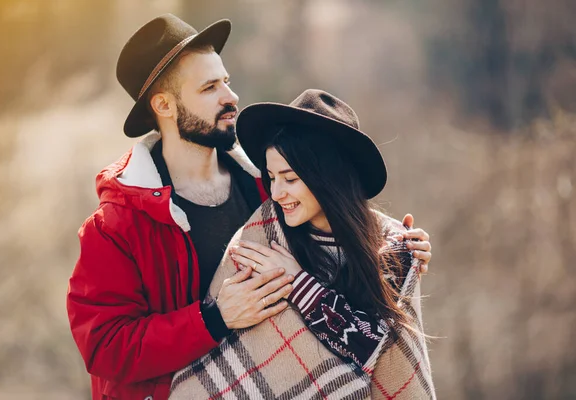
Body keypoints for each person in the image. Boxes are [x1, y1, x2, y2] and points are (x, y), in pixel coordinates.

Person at [67, 14, 432, 400]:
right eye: (209, 87)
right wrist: (214, 319)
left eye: (226, 80)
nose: (231, 96)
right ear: (164, 105)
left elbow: (330, 252)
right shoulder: (117, 224)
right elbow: (105, 347)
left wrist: (393, 254)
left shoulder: (266, 183)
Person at [170, 89, 435, 399]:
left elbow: (375, 348)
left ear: (327, 177)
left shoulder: (395, 246)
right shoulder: (262, 238)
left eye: (290, 178)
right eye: (271, 177)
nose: (277, 192)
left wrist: (297, 282)